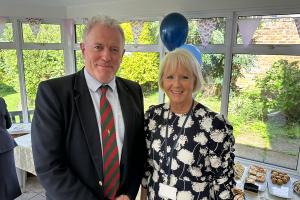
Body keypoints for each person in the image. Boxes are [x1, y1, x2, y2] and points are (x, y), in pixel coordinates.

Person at [31, 15, 146, 200]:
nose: (106, 56)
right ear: (83, 49)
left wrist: (128, 194)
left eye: (114, 49)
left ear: (122, 55)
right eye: (98, 47)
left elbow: (138, 152)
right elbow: (49, 166)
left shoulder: (134, 91)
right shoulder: (54, 93)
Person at [141, 48, 235, 199]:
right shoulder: (152, 117)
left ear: (195, 80)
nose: (176, 84)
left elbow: (223, 182)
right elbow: (147, 168)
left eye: (184, 77)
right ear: (162, 81)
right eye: (170, 77)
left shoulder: (214, 125)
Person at [0, 97, 22, 200]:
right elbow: (8, 124)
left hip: (3, 146)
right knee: (7, 182)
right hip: (3, 144)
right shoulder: (0, 100)